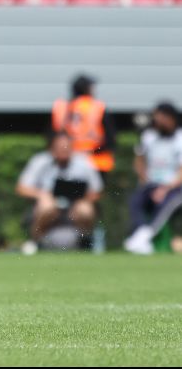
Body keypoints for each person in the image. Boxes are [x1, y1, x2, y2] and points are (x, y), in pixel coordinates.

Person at [16, 132, 103, 255]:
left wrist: (82, 198)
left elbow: (97, 191)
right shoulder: (40, 161)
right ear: (52, 148)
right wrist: (42, 194)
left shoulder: (83, 162)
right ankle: (36, 241)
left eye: (67, 148)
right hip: (48, 207)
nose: (64, 151)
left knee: (85, 209)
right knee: (47, 205)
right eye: (60, 148)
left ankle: (84, 241)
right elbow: (21, 188)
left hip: (75, 206)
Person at [124, 102, 182, 254]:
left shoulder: (179, 139)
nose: (157, 120)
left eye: (161, 116)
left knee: (167, 203)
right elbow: (139, 160)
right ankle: (141, 232)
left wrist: (165, 188)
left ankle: (144, 236)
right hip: (151, 185)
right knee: (135, 200)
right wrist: (145, 182)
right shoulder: (149, 137)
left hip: (174, 188)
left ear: (171, 118)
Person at [51, 74, 116, 176]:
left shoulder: (62, 107)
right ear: (87, 89)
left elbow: (53, 137)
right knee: (93, 191)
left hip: (68, 161)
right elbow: (110, 139)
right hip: (96, 162)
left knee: (67, 191)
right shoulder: (97, 107)